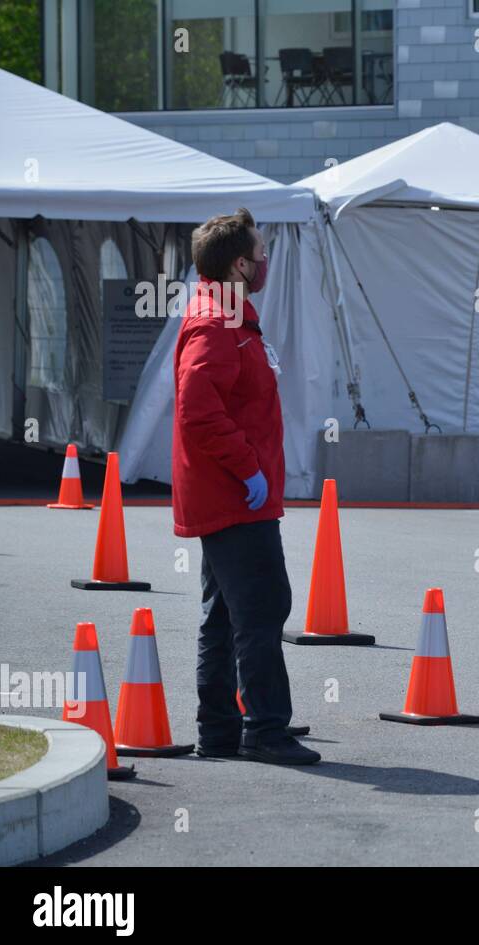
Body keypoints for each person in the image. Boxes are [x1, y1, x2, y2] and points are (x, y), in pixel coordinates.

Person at [172, 208, 319, 765]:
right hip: (233, 495)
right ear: (238, 264)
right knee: (262, 606)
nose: (265, 262)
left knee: (227, 613)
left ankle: (221, 730)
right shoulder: (217, 323)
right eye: (260, 254)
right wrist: (248, 468)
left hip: (230, 492)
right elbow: (197, 411)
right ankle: (265, 730)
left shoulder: (229, 313)